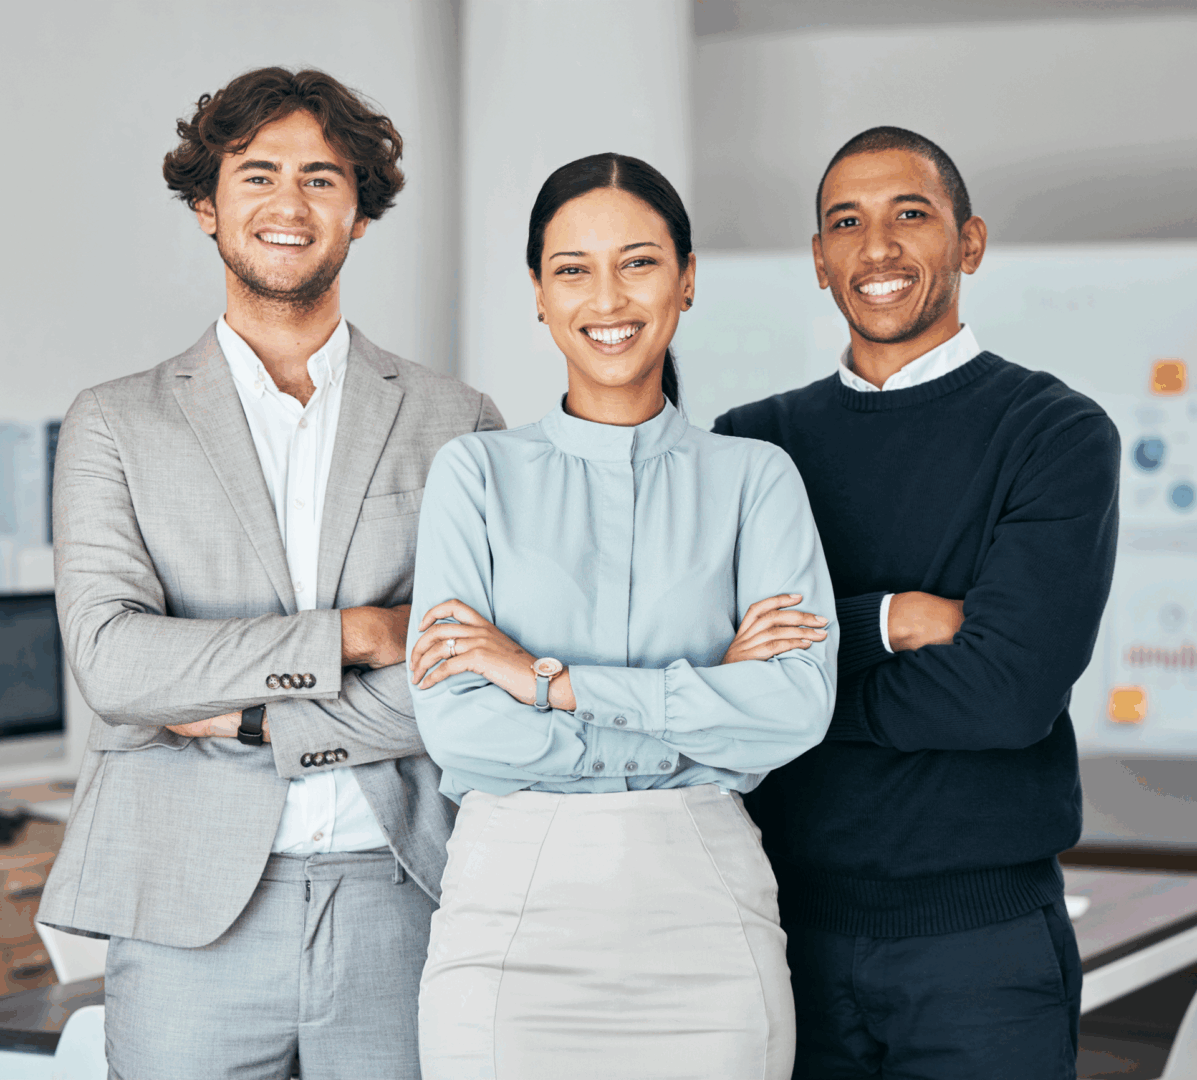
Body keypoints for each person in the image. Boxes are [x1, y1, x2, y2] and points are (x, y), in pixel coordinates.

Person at [38, 66, 503, 1079]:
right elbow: (116, 667)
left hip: (404, 893)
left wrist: (252, 718)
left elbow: (466, 679)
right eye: (257, 176)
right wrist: (357, 635)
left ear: (360, 213)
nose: (289, 205)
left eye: (323, 179)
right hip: (184, 912)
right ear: (207, 205)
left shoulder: (455, 420)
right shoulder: (114, 423)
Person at [405, 152, 838, 1079]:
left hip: (708, 922)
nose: (608, 297)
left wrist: (544, 681)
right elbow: (459, 730)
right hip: (509, 922)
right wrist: (705, 706)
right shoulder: (473, 476)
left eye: (638, 262)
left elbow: (796, 710)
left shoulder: (754, 478)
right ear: (536, 292)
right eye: (572, 269)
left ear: (685, 280)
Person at [715, 127, 1120, 1079]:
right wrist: (888, 618)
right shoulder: (750, 446)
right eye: (845, 223)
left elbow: (1005, 695)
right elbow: (702, 664)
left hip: (981, 953)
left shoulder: (1053, 433)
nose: (878, 248)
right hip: (779, 936)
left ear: (968, 243)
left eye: (911, 215)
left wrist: (790, 687)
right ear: (819, 262)